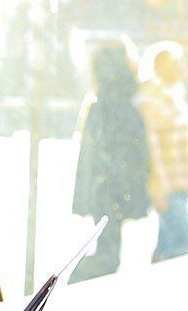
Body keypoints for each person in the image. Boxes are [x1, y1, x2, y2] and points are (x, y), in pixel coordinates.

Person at [71, 41, 150, 282]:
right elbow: (119, 153)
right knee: (108, 256)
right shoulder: (117, 103)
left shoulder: (104, 100)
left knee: (109, 252)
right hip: (110, 191)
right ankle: (66, 289)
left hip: (107, 190)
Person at [139, 41, 188, 263]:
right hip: (167, 186)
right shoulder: (151, 98)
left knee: (168, 246)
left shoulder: (175, 96)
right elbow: (152, 147)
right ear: (158, 67)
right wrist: (159, 189)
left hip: (180, 184)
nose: (181, 68)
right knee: (181, 243)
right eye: (174, 64)